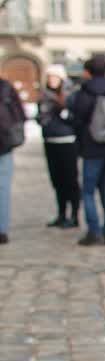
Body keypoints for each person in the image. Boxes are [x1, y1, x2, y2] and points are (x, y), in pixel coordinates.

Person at [68, 54, 105, 246]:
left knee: (88, 191)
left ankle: (93, 230)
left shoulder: (85, 92)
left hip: (92, 148)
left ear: (87, 72)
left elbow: (78, 119)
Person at [38, 66, 80, 229]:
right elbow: (41, 116)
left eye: (55, 77)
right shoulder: (44, 96)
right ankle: (61, 213)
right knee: (57, 180)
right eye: (49, 77)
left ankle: (74, 215)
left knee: (70, 180)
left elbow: (75, 119)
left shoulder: (70, 95)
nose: (51, 80)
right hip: (50, 140)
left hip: (67, 141)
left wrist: (62, 110)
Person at [0, 75, 26, 245]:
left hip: (4, 144)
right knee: (3, 189)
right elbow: (20, 114)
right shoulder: (6, 87)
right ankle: (1, 230)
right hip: (4, 143)